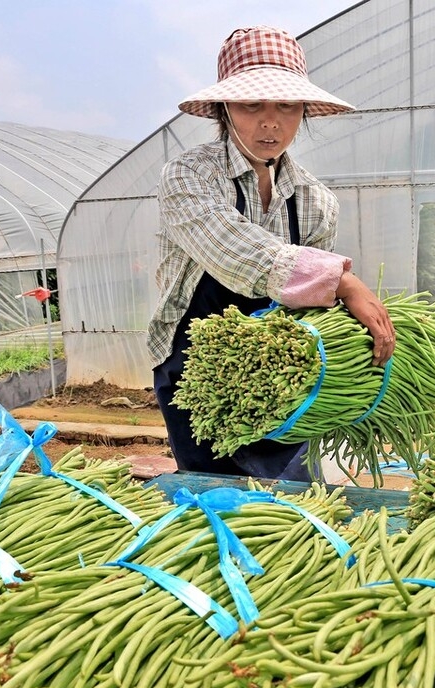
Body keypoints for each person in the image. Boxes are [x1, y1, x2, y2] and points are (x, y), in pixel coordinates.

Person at [149, 25, 396, 481]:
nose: (270, 121)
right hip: (193, 367)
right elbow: (234, 251)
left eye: (286, 105)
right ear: (225, 109)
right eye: (251, 104)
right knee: (214, 497)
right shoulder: (189, 176)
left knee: (289, 501)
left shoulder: (315, 200)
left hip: (281, 369)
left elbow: (307, 310)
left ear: (303, 111)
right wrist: (341, 280)